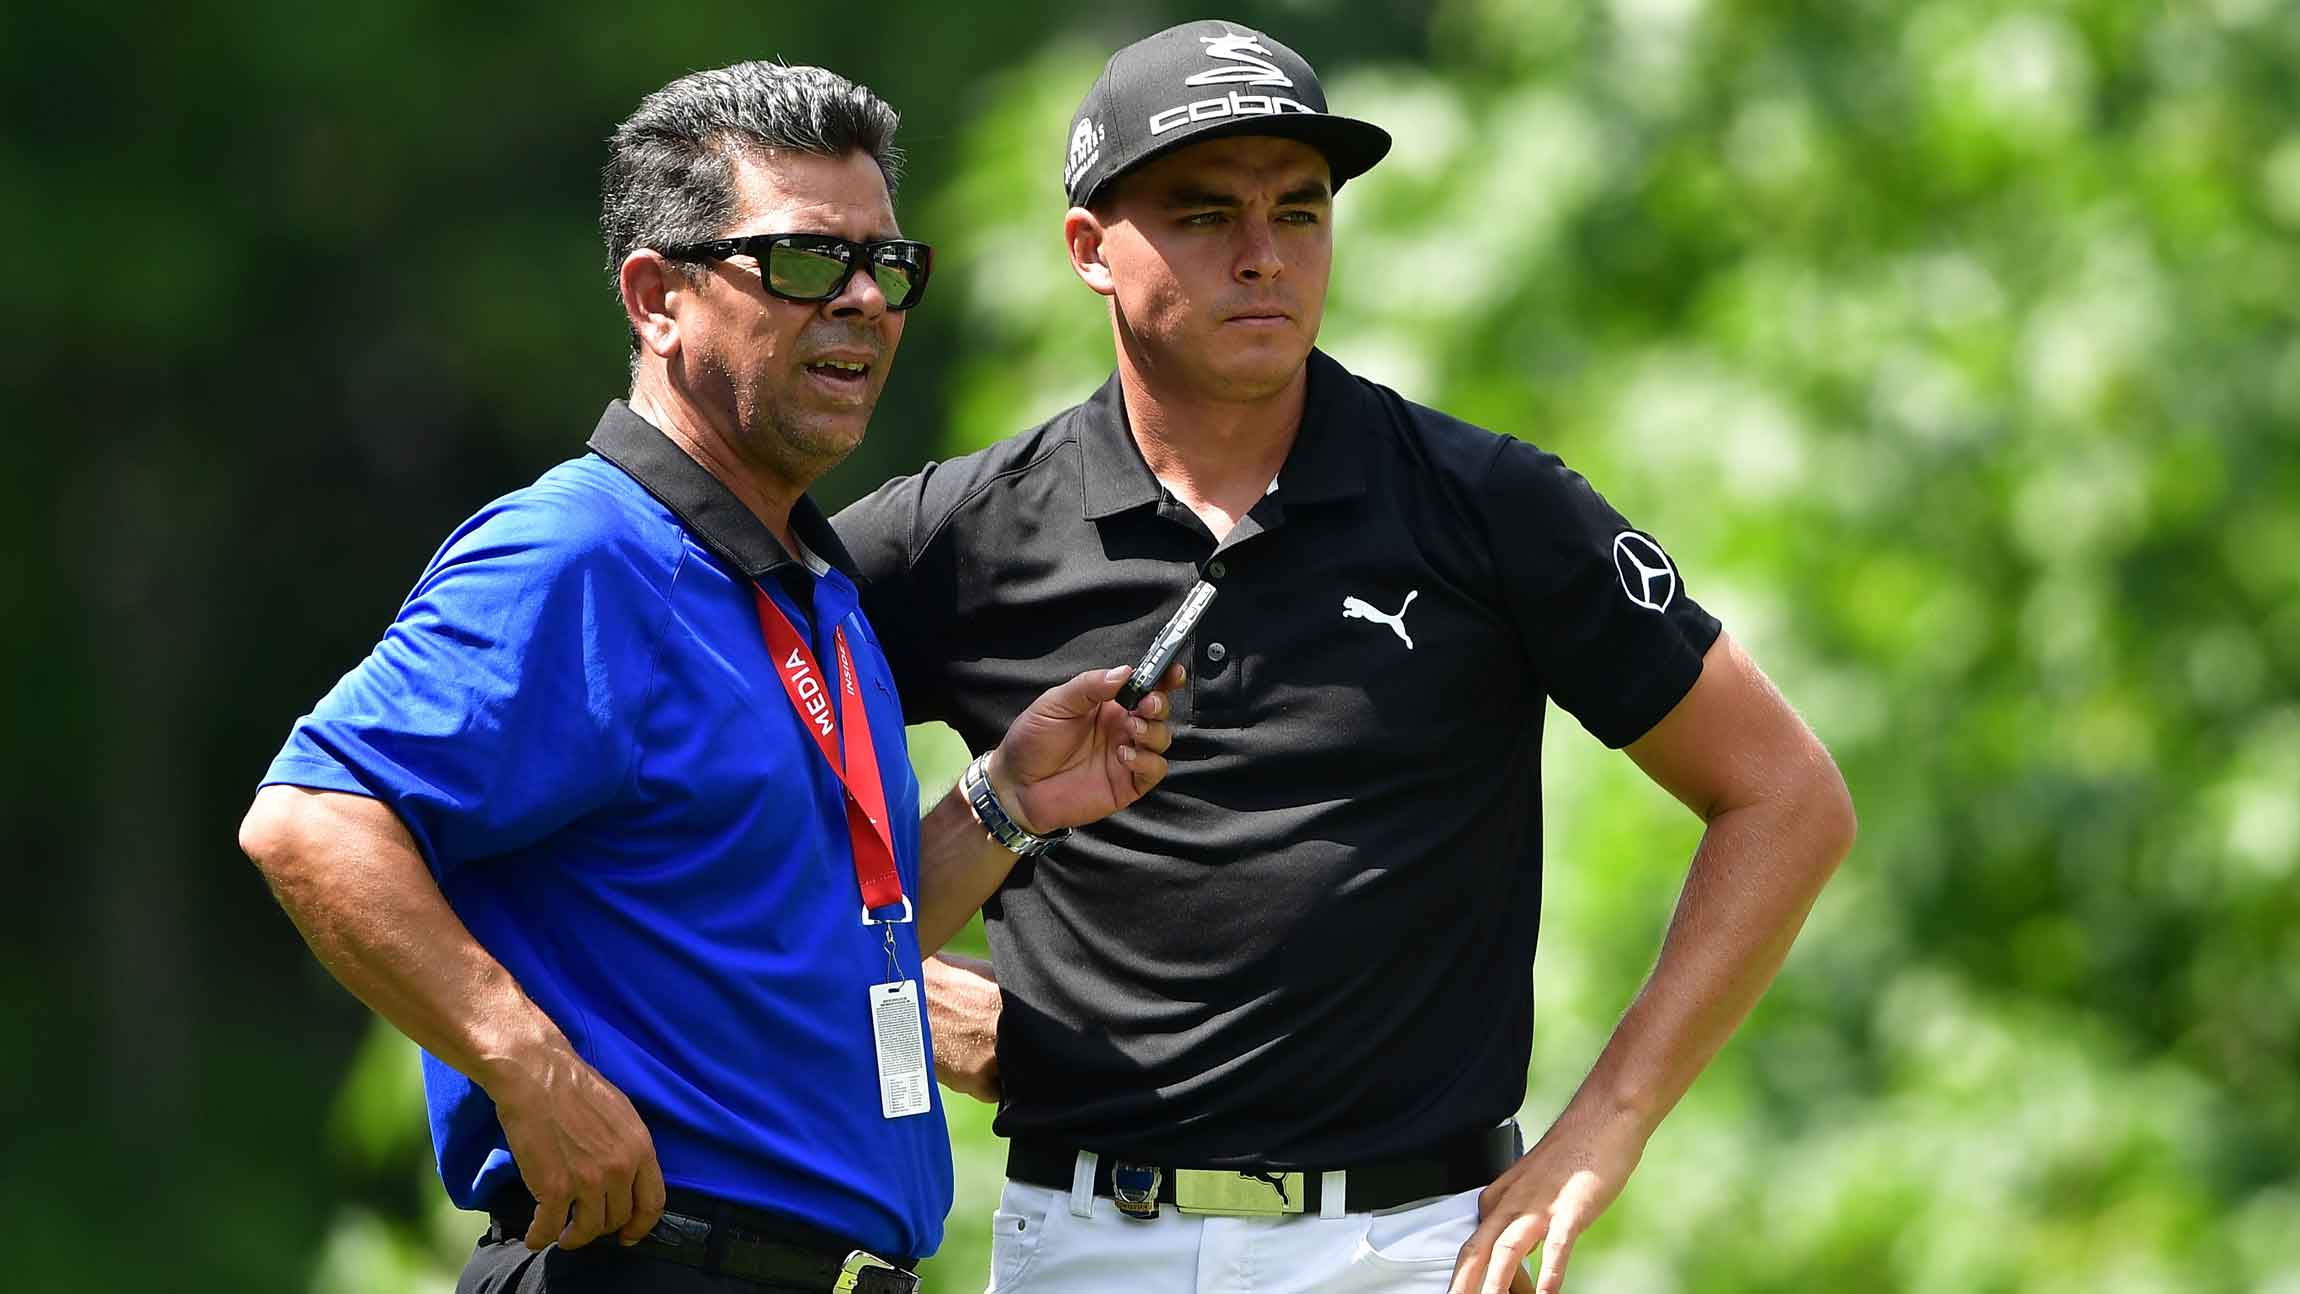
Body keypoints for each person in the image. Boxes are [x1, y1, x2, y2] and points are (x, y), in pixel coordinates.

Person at [833, 20, 1857, 1294]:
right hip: (1081, 1244)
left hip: (1415, 1246)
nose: (1263, 256)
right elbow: (705, 822)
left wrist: (1607, 1124)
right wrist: (891, 986)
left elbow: (1783, 795)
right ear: (1090, 250)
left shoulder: (1489, 505)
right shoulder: (961, 534)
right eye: (1205, 215)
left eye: (1300, 212)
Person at [238, 62, 1179, 1294]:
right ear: (655, 296)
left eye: (886, 268)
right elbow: (310, 815)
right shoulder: (583, 551)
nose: (860, 301)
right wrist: (529, 1066)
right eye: (801, 262)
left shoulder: (809, 586)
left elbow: (800, 936)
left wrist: (1001, 803)